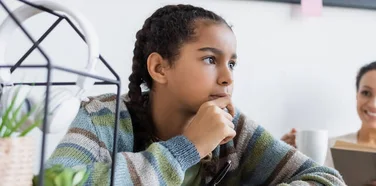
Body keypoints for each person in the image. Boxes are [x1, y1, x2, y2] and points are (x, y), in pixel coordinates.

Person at [45, 4, 345, 186]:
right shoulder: (104, 118)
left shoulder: (234, 129)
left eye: (232, 63)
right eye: (210, 60)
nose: (228, 77)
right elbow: (54, 180)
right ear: (159, 67)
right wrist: (186, 148)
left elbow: (328, 180)